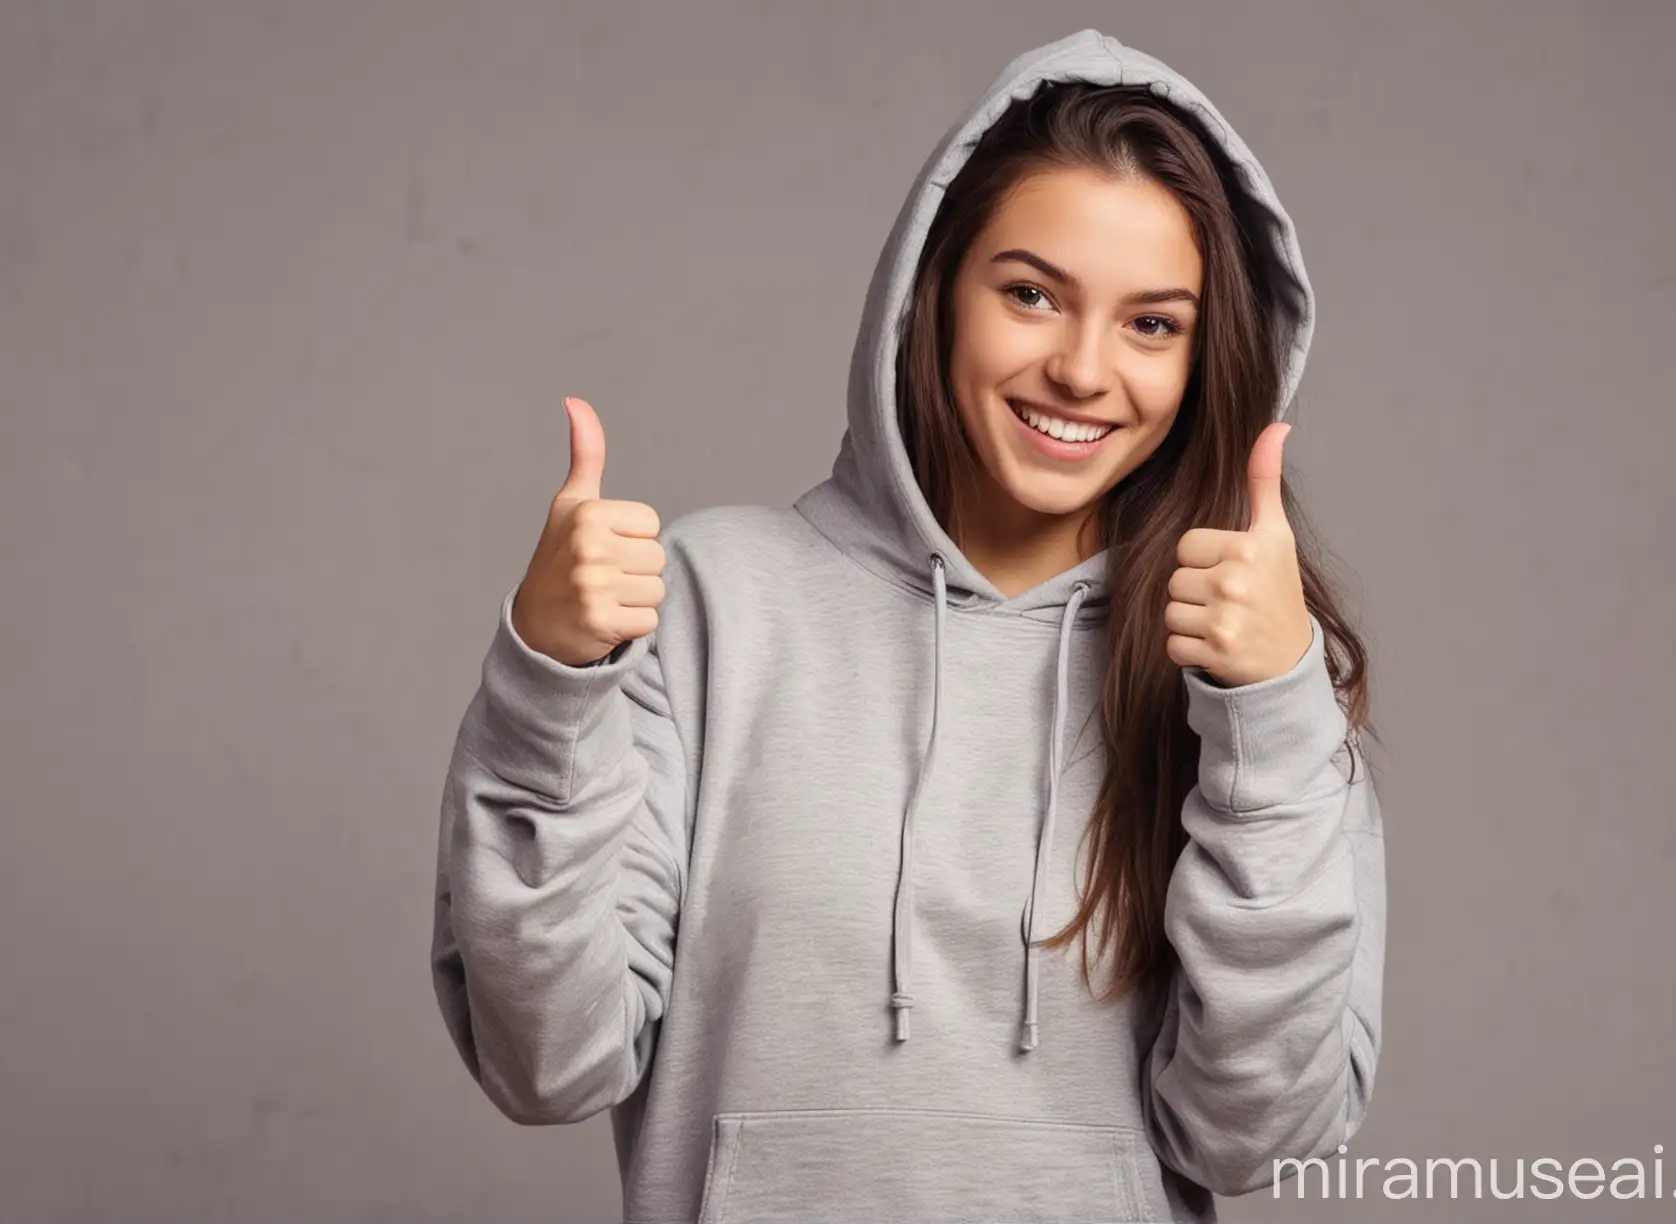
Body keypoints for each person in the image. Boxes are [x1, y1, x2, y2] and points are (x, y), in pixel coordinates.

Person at [430, 27, 1386, 1224]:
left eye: (1152, 324)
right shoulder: (711, 604)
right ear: (932, 293)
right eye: (1032, 294)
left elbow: (1260, 1143)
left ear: (1205, 361)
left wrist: (1267, 724)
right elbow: (547, 1061)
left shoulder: (1252, 669)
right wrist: (547, 682)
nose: (1085, 370)